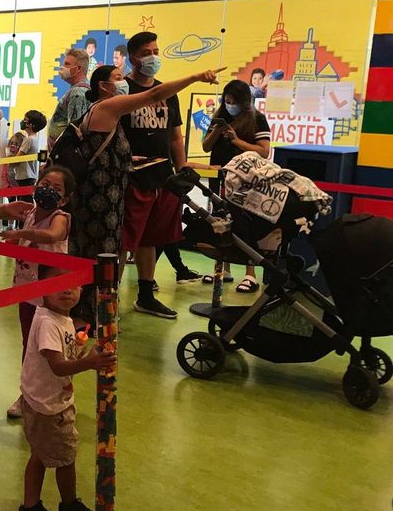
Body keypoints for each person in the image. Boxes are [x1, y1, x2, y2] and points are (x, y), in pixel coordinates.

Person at [67, 64, 220, 324]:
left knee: (108, 252)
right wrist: (194, 76)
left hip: (108, 195)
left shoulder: (106, 112)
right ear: (104, 87)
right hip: (100, 199)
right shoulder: (107, 107)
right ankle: (94, 315)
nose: (123, 83)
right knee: (104, 255)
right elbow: (152, 95)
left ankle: (100, 313)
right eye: (118, 79)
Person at [17, 269, 116, 511]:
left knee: (39, 455)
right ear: (42, 289)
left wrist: (83, 351)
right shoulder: (48, 322)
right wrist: (90, 363)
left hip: (42, 399)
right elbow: (59, 367)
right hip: (48, 406)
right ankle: (69, 505)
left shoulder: (64, 319)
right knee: (66, 458)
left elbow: (65, 356)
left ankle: (30, 509)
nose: (67, 290)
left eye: (73, 285)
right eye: (59, 284)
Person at [121, 32, 204, 318]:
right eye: (147, 52)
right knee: (124, 241)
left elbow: (175, 138)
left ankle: (145, 295)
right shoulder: (123, 89)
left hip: (163, 178)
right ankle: (106, 301)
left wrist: (182, 171)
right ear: (133, 58)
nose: (153, 57)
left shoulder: (168, 93)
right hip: (131, 177)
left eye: (156, 50)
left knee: (150, 239)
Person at [0, 165, 74, 418]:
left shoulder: (60, 217)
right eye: (44, 184)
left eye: (56, 189)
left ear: (65, 198)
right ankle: (29, 395)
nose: (47, 190)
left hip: (51, 296)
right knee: (30, 345)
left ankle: (58, 393)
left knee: (54, 348)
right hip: (26, 291)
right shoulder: (29, 211)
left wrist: (20, 232)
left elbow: (51, 235)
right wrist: (6, 209)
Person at [202, 80, 271, 293]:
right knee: (219, 220)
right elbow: (205, 146)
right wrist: (217, 131)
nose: (230, 104)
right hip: (219, 176)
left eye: (234, 101)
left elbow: (263, 151)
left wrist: (236, 140)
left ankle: (250, 274)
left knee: (243, 223)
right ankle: (222, 269)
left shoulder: (257, 119)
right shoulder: (220, 117)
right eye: (227, 100)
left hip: (245, 179)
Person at [48, 49, 91, 144]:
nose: (62, 67)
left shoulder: (78, 92)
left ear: (78, 68)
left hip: (66, 153)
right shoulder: (76, 89)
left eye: (67, 64)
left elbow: (75, 130)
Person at [7, 110, 47, 201]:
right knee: (26, 199)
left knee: (25, 201)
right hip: (30, 175)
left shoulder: (28, 140)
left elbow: (18, 158)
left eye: (25, 120)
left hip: (24, 176)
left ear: (31, 125)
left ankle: (28, 215)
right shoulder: (35, 139)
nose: (23, 122)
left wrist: (8, 161)